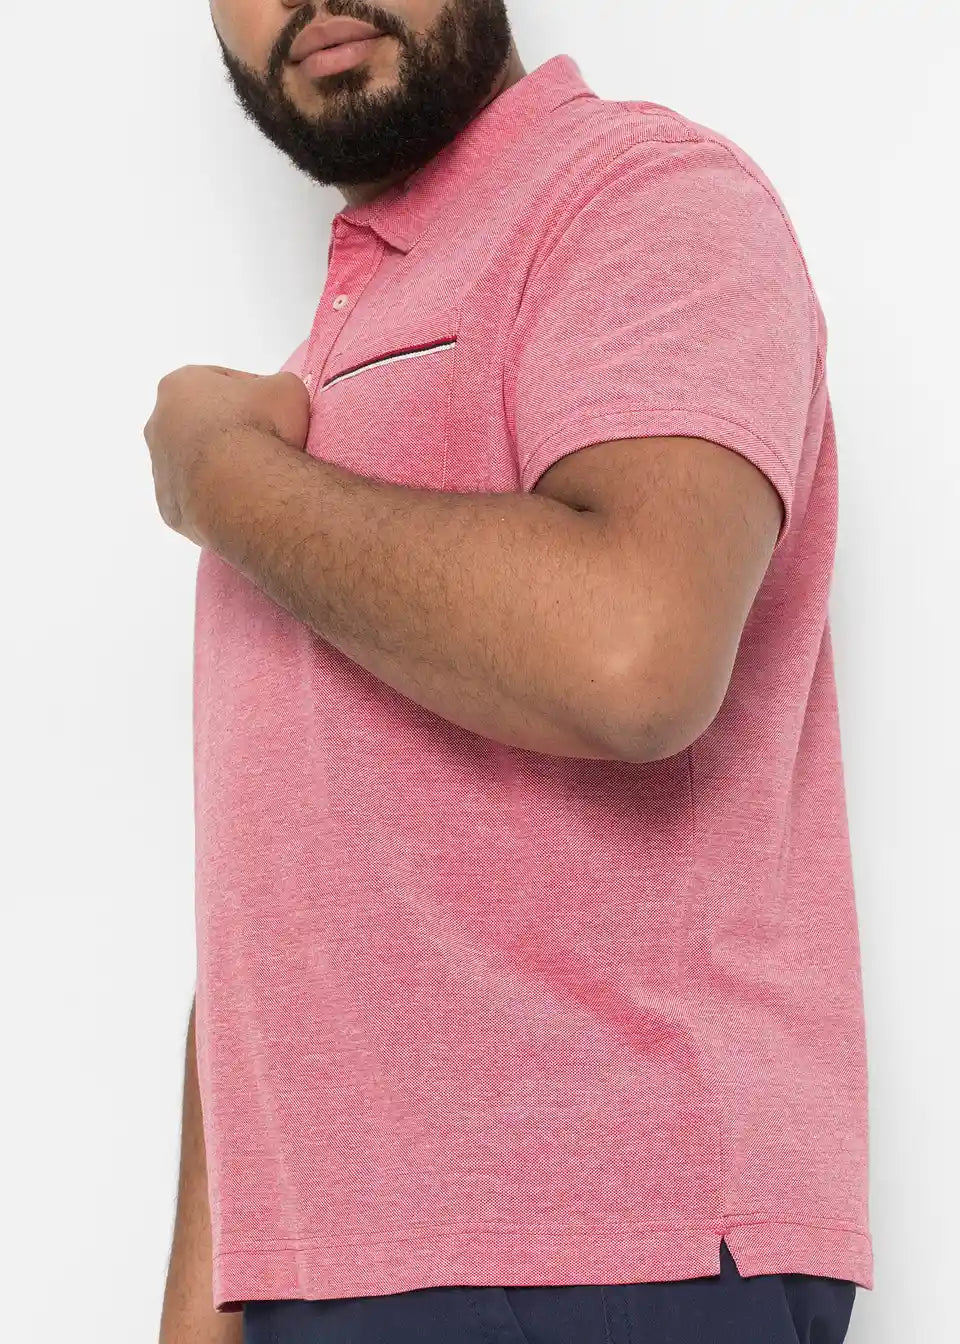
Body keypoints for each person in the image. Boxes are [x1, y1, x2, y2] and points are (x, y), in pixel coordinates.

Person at [148, 3, 873, 1342]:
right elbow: (281, 908)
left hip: (608, 1250)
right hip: (329, 1270)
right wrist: (207, 1305)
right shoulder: (334, 351)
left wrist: (218, 479)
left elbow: (633, 654)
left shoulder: (641, 199)